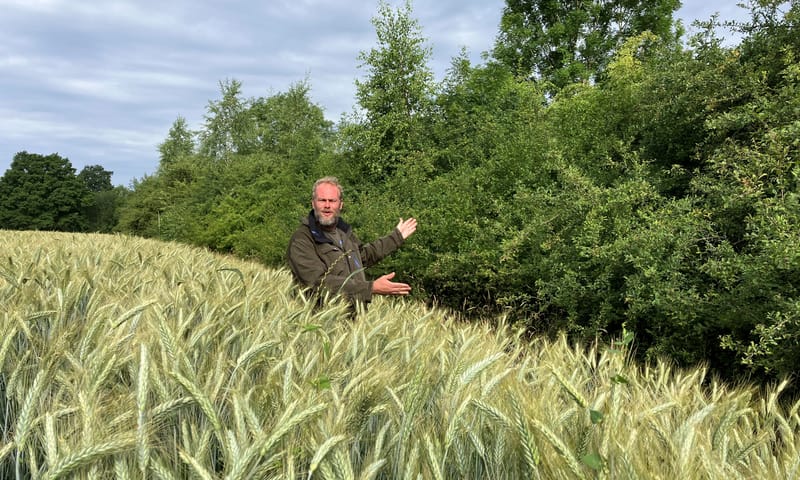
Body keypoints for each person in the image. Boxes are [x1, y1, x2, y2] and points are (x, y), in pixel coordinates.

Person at [286, 176, 417, 306]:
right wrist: (370, 288)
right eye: (322, 200)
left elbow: (363, 257)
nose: (327, 205)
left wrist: (395, 238)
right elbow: (317, 282)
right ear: (313, 203)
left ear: (340, 204)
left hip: (354, 321)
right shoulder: (302, 239)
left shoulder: (344, 233)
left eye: (332, 201)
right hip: (323, 322)